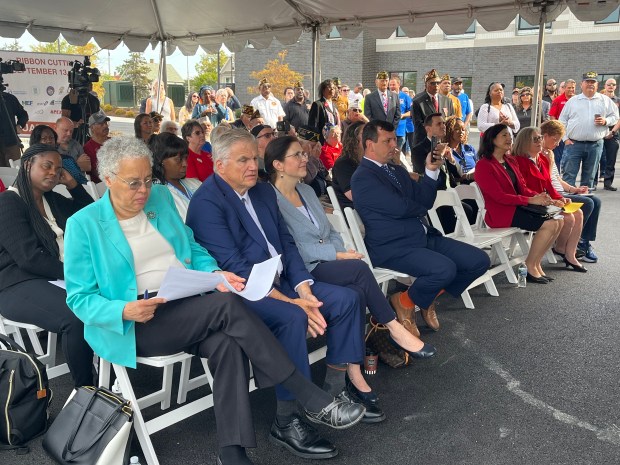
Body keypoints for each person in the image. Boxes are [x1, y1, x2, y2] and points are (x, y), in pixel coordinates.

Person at [64, 136, 363, 465]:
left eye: (148, 179)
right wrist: (124, 308)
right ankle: (306, 393)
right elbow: (79, 299)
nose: (143, 191)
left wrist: (215, 273)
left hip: (187, 302)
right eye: (134, 183)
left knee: (227, 343)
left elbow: (192, 249)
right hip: (138, 321)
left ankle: (231, 453)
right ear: (108, 179)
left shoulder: (160, 198)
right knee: (227, 306)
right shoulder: (84, 224)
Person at [186, 129, 366, 460]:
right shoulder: (207, 204)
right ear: (220, 164)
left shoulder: (262, 193)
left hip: (282, 282)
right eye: (243, 160)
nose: (253, 165)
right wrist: (293, 303)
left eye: (254, 157)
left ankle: (330, 394)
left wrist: (303, 288)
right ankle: (286, 419)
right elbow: (235, 267)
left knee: (347, 300)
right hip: (241, 292)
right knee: (292, 316)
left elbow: (287, 246)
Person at [265, 136, 437, 419]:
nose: (305, 158)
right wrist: (338, 255)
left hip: (327, 261)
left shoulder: (307, 191)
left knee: (356, 294)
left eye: (303, 153)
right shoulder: (269, 199)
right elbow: (289, 246)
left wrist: (338, 250)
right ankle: (394, 328)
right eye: (297, 155)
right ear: (278, 165)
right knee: (358, 270)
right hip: (303, 268)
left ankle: (347, 380)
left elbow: (331, 231)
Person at [351, 120, 490, 334]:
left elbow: (424, 199)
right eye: (387, 141)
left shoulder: (394, 170)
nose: (394, 145)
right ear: (369, 145)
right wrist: (420, 204)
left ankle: (413, 298)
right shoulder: (362, 177)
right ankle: (409, 301)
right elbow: (402, 208)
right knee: (444, 269)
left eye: (395, 140)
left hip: (422, 237)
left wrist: (430, 170)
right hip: (392, 247)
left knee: (478, 261)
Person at [0, 143, 94, 387]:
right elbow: (29, 258)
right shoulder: (8, 203)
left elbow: (90, 215)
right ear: (28, 164)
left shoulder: (52, 200)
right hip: (16, 284)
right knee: (76, 317)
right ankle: (85, 391)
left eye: (58, 168)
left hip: (55, 279)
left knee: (108, 300)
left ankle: (112, 378)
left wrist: (73, 184)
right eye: (47, 166)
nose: (53, 172)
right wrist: (80, 276)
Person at [474, 124, 563, 283]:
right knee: (549, 224)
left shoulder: (510, 160)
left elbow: (522, 188)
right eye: (504, 135)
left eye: (509, 135)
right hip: (501, 213)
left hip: (518, 207)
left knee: (559, 220)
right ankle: (530, 265)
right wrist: (530, 200)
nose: (509, 138)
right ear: (492, 140)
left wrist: (541, 197)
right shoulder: (483, 165)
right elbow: (499, 197)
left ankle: (535, 264)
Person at [513, 127, 586, 272]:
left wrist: (561, 198)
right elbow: (523, 189)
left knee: (578, 213)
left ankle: (570, 254)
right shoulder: (518, 161)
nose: (540, 141)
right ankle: (559, 248)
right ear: (525, 142)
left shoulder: (542, 160)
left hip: (546, 200)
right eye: (536, 139)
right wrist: (552, 201)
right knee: (569, 218)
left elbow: (549, 185)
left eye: (540, 137)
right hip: (531, 203)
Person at [540, 120, 602, 264]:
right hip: (552, 194)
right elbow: (546, 181)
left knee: (596, 201)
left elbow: (557, 178)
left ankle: (583, 240)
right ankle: (574, 240)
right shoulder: (541, 153)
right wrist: (549, 162)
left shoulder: (550, 152)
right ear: (545, 136)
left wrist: (574, 189)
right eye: (555, 140)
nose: (557, 144)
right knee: (587, 203)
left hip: (560, 191)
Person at [559, 71, 619, 188]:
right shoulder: (573, 101)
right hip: (573, 144)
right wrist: (565, 139)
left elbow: (615, 117)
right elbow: (562, 121)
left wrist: (605, 121)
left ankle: (586, 204)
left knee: (589, 178)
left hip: (595, 145)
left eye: (593, 82)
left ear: (597, 85)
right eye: (588, 82)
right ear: (582, 84)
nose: (590, 84)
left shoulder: (605, 100)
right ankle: (567, 205)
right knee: (569, 176)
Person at [149, 132, 201, 220]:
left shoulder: (196, 183)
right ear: (161, 160)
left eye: (185, 158)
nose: (185, 164)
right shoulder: (157, 194)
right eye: (178, 159)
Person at [411, 69, 455, 146]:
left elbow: (452, 121)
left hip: (443, 142)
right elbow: (418, 124)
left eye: (438, 83)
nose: (436, 85)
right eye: (433, 83)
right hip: (424, 143)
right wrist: (436, 132)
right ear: (426, 84)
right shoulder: (418, 101)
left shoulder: (447, 101)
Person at [332, 121, 365, 209]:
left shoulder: (368, 160)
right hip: (356, 214)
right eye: (365, 133)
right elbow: (355, 196)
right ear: (354, 139)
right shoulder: (343, 163)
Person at [54, 117, 90, 184]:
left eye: (71, 131)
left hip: (79, 184)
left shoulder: (76, 145)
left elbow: (87, 166)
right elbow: (54, 170)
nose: (69, 134)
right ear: (55, 128)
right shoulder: (50, 145)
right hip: (58, 185)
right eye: (65, 130)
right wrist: (76, 164)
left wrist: (67, 166)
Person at [599, 78, 620, 191]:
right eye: (609, 84)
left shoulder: (618, 101)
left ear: (616, 87)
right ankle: (591, 182)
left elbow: (619, 119)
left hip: (613, 134)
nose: (611, 86)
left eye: (613, 84)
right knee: (595, 159)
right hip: (598, 133)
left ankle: (608, 183)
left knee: (611, 160)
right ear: (605, 86)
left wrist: (612, 132)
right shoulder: (599, 99)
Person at [444, 116, 477, 183]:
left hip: (475, 185)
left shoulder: (469, 148)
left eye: (463, 129)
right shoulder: (445, 151)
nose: (461, 132)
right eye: (457, 129)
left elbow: (479, 167)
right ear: (449, 130)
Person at [0, 88, 28, 167]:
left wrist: (19, 125)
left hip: (11, 142)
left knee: (15, 171)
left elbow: (23, 114)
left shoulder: (9, 98)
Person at [83, 110, 111, 183]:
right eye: (101, 124)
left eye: (105, 123)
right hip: (101, 186)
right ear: (92, 128)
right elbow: (96, 172)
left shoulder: (114, 142)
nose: (105, 126)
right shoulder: (87, 148)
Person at [308, 79, 340, 144]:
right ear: (323, 90)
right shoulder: (318, 104)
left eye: (333, 88)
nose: (332, 89)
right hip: (321, 142)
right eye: (329, 87)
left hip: (332, 142)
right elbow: (313, 125)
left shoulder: (334, 106)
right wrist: (315, 142)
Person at [389, 75, 413, 151]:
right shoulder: (386, 96)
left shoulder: (405, 97)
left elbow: (412, 111)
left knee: (398, 152)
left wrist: (403, 115)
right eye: (390, 85)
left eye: (393, 85)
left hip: (400, 130)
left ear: (398, 85)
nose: (391, 86)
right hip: (388, 130)